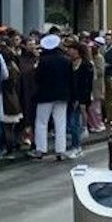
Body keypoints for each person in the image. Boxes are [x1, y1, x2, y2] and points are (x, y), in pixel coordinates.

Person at [31, 33, 73, 161]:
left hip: (45, 94)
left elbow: (37, 78)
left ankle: (41, 149)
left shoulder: (43, 61)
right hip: (62, 94)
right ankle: (60, 150)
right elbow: (70, 78)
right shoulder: (66, 60)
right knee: (60, 122)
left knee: (41, 122)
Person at [67, 40, 94, 151]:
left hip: (80, 97)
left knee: (74, 122)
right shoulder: (69, 64)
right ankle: (75, 144)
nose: (69, 51)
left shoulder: (86, 65)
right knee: (71, 122)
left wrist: (83, 100)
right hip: (71, 96)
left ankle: (76, 146)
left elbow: (87, 84)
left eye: (71, 49)